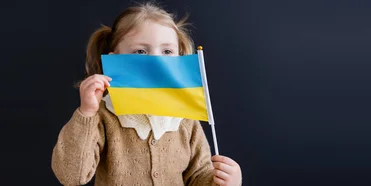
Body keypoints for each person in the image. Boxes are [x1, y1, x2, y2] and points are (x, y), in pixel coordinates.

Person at [51, 2, 242, 186]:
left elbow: (198, 177)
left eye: (167, 51)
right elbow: (71, 177)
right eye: (141, 51)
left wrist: (223, 182)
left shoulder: (185, 118)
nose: (156, 61)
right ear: (115, 59)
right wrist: (87, 113)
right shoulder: (103, 115)